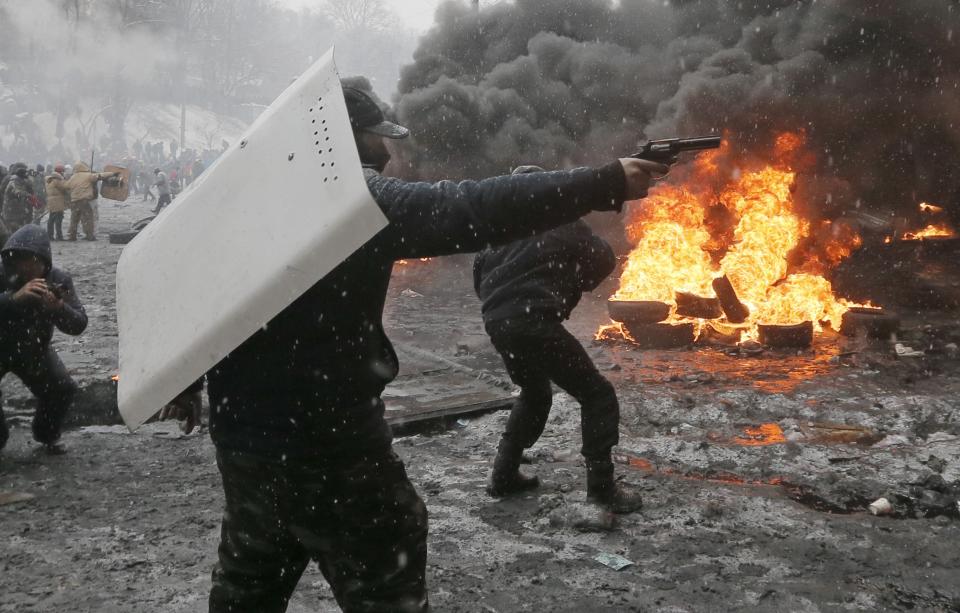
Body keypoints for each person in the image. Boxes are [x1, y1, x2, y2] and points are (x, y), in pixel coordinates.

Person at [157, 84, 668, 612]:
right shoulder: (351, 199)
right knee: (385, 576)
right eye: (378, 136)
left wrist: (183, 379)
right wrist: (607, 180)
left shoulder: (243, 202)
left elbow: (198, 292)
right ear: (340, 136)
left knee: (250, 579)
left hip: (244, 438)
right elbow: (468, 208)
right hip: (331, 440)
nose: (387, 150)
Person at [473, 165, 641, 512]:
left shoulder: (497, 232)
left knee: (534, 393)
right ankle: (601, 492)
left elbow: (481, 282)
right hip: (534, 322)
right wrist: (574, 281)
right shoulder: (559, 220)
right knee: (596, 395)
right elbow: (604, 259)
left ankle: (503, 474)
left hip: (498, 324)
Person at [0, 225, 88, 455]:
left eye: (33, 261)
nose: (27, 267)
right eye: (20, 260)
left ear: (44, 261)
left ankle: (46, 433)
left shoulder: (58, 279)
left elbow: (78, 323)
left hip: (33, 348)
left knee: (62, 388)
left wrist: (58, 308)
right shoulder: (1, 274)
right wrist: (13, 299)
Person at [64, 161, 116, 241]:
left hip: (74, 201)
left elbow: (66, 186)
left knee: (74, 220)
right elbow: (100, 176)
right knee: (88, 219)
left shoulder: (73, 177)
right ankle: (90, 236)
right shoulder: (88, 176)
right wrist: (111, 173)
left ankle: (72, 236)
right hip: (84, 201)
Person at [1, 163, 37, 245]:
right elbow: (17, 191)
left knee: (19, 228)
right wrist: (29, 196)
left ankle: (18, 244)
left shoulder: (20, 180)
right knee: (13, 230)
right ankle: (12, 246)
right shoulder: (13, 182)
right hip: (11, 211)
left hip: (18, 210)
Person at [45, 165, 70, 241]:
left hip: (51, 201)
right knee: (58, 220)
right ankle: (59, 236)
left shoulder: (49, 179)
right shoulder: (57, 180)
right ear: (60, 172)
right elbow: (64, 188)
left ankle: (50, 235)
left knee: (51, 219)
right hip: (57, 202)